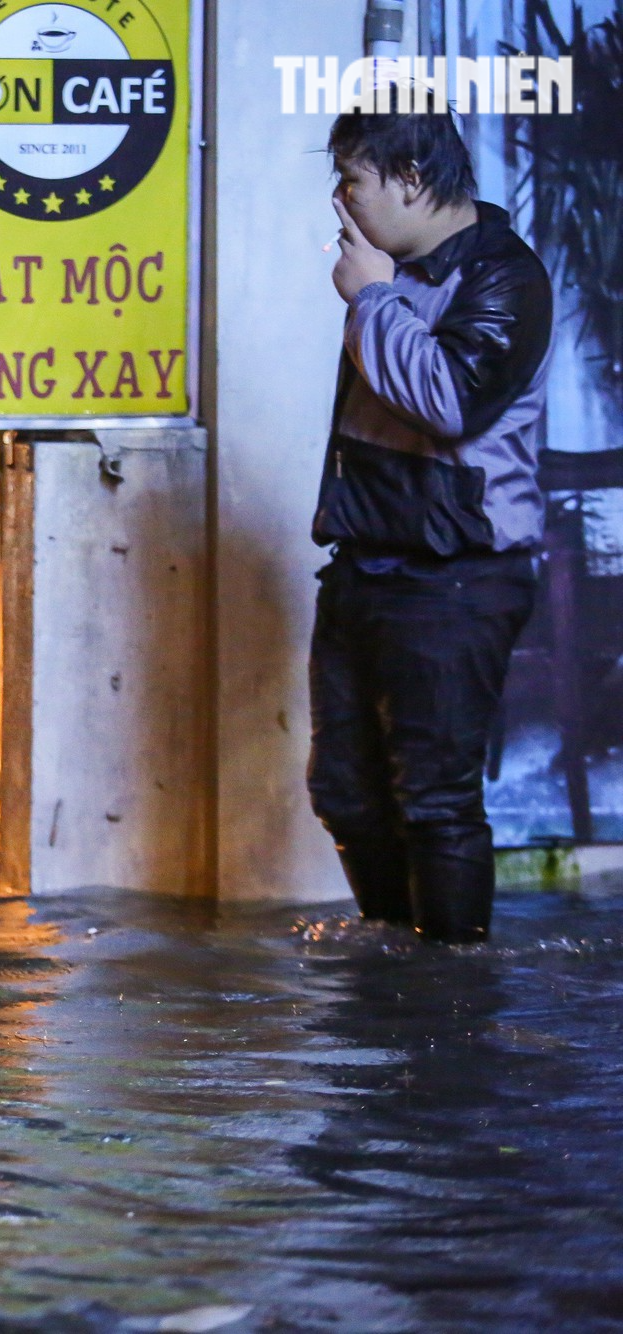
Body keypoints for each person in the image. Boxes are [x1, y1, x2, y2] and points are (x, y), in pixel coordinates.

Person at [309, 106, 554, 942]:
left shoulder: (503, 277)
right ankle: (396, 962)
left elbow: (448, 403)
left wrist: (373, 298)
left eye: (353, 181)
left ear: (412, 179)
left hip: (458, 574)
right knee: (343, 790)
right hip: (365, 561)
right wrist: (380, 293)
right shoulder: (399, 270)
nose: (340, 202)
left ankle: (451, 993)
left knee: (437, 801)